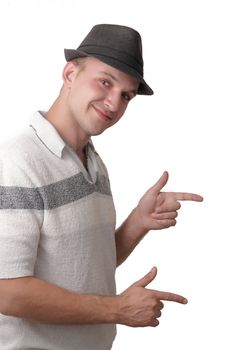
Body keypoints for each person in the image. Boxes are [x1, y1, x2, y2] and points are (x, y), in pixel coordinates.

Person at [0, 24, 203, 350]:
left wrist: (138, 222)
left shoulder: (93, 163)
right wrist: (119, 309)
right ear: (70, 74)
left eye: (126, 95)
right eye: (105, 81)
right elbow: (7, 291)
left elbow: (85, 264)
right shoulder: (17, 162)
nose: (113, 103)